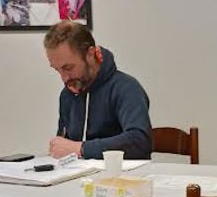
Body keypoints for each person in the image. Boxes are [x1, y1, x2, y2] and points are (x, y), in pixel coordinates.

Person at [44, 21, 152, 160]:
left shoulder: (126, 88)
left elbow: (140, 142)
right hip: (78, 173)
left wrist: (81, 149)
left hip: (120, 172)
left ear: (90, 54)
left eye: (68, 68)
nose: (64, 78)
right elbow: (65, 145)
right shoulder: (68, 95)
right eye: (57, 70)